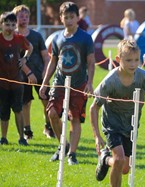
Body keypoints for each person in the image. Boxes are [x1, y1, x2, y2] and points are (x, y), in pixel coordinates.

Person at [90, 40, 145, 186]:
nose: (133, 64)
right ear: (118, 60)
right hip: (112, 125)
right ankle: (110, 160)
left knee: (124, 168)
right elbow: (94, 108)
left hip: (130, 126)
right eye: (128, 60)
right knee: (119, 159)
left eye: (136, 60)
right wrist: (97, 136)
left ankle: (105, 159)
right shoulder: (110, 82)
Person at [39, 2, 95, 165]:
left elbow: (91, 62)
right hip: (59, 83)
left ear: (77, 18)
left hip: (78, 84)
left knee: (75, 118)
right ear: (61, 18)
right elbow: (53, 62)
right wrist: (45, 82)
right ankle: (62, 146)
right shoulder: (57, 38)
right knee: (52, 114)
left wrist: (90, 83)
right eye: (66, 17)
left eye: (72, 17)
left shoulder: (86, 38)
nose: (69, 20)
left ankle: (72, 153)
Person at [12, 5, 54, 140]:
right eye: (21, 16)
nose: (24, 19)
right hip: (21, 76)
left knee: (46, 101)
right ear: (15, 18)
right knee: (26, 103)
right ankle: (27, 131)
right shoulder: (13, 36)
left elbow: (46, 57)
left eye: (26, 16)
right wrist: (28, 73)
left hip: (40, 74)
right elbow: (17, 60)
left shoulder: (36, 35)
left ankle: (48, 127)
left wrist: (45, 74)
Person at [0, 11, 34, 145]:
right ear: (1, 25)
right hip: (2, 83)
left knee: (18, 109)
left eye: (13, 24)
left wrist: (25, 59)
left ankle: (21, 138)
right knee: (3, 111)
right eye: (7, 24)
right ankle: (3, 137)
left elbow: (30, 48)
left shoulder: (19, 39)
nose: (10, 27)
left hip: (17, 82)